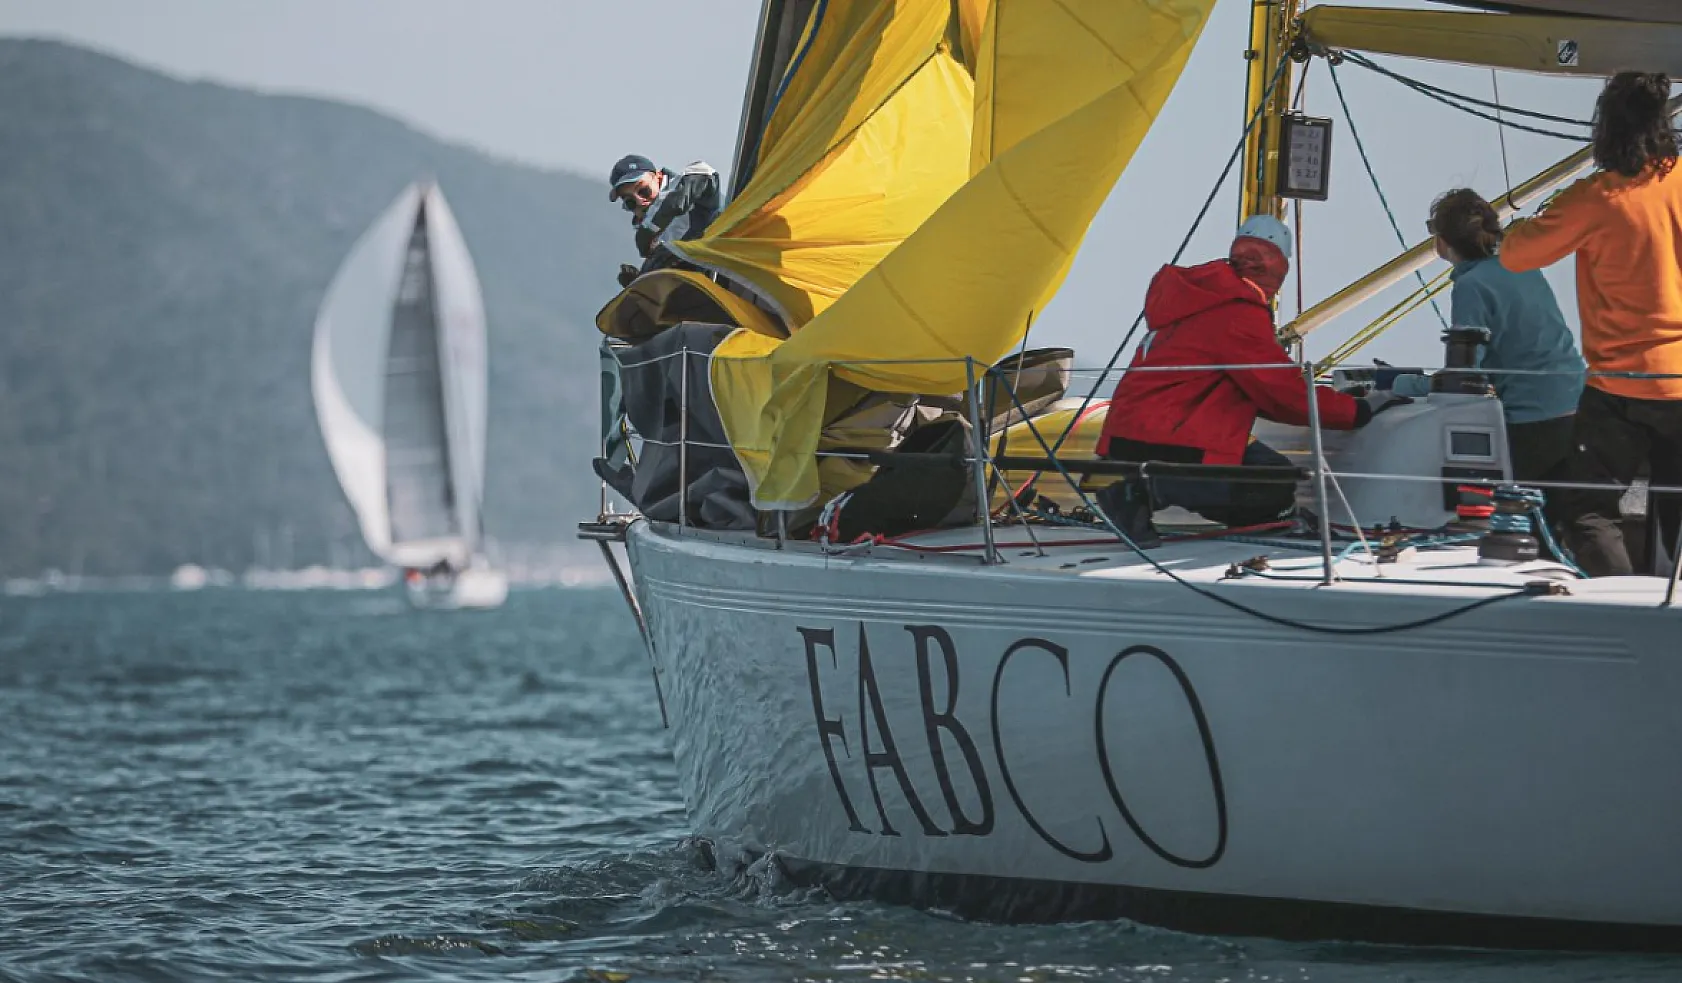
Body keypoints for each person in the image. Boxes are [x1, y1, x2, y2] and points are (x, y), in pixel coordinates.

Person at [1096, 215, 1409, 545]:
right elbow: (1282, 393)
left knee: (1267, 469)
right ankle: (1144, 491)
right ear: (1277, 267)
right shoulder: (1238, 311)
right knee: (1275, 482)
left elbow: (1260, 387)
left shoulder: (1197, 298)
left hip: (1129, 437)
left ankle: (1144, 491)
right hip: (1171, 440)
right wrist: (1357, 410)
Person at [1500, 71, 1682, 577]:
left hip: (1620, 389)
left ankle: (1619, 605)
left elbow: (1514, 255)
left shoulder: (1596, 198)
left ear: (1606, 129)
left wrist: (1530, 219)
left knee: (1587, 509)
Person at [1428, 188, 1585, 485]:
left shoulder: (1471, 286)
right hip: (1578, 404)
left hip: (1533, 418)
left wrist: (1405, 385)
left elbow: (1465, 373)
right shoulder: (1523, 267)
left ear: (1443, 241)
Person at [607, 154, 722, 287]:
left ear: (659, 177)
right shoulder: (655, 244)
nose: (640, 202)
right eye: (630, 202)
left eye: (643, 190)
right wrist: (641, 282)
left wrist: (650, 227)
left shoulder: (694, 188)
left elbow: (705, 172)